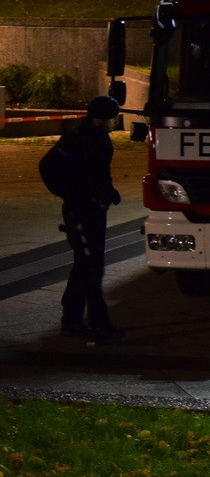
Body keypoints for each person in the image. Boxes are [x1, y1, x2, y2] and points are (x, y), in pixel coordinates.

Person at [55, 95, 125, 342]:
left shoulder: (99, 138)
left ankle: (76, 320)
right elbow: (49, 168)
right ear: (99, 118)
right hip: (81, 213)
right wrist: (74, 197)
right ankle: (91, 321)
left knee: (89, 266)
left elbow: (98, 172)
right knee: (89, 268)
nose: (116, 121)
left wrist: (109, 192)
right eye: (113, 117)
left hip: (95, 211)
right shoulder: (76, 140)